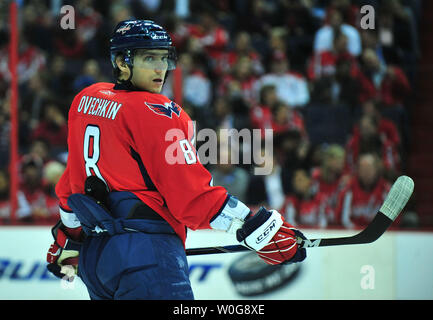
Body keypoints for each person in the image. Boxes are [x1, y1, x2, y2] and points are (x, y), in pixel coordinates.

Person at [45, 20, 307, 300]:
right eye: (149, 58)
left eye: (163, 58)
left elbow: (72, 183)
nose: (161, 69)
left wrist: (69, 238)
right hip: (146, 255)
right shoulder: (158, 113)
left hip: (97, 261)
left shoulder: (86, 99)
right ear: (122, 62)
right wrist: (255, 228)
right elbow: (191, 197)